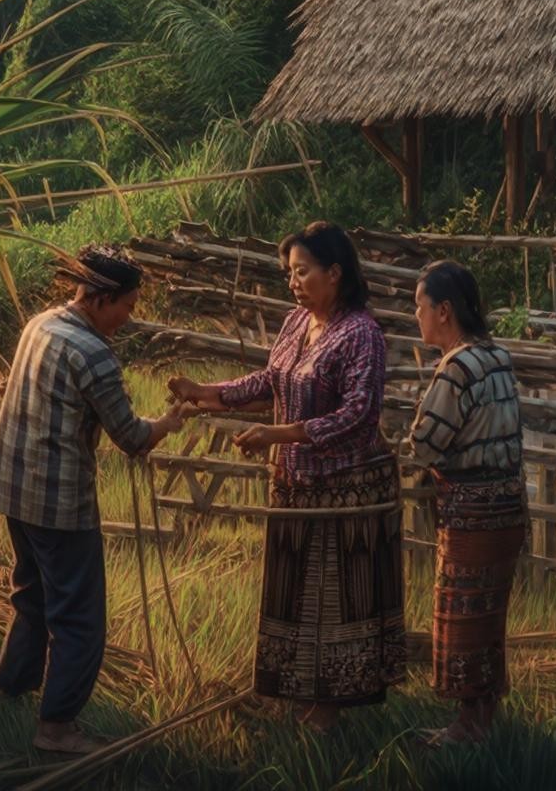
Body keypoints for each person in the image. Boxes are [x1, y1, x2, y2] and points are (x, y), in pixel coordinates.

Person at [169, 221, 405, 731]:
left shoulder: (361, 334)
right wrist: (209, 392)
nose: (292, 282)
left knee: (333, 595)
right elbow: (270, 379)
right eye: (288, 273)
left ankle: (329, 705)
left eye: (301, 272)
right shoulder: (298, 321)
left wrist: (279, 436)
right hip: (295, 483)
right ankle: (295, 691)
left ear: (335, 273)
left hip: (345, 488)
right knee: (292, 590)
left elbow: (358, 414)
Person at [0, 246, 186, 756]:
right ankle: (56, 728)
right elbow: (132, 436)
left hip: (13, 489)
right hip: (58, 503)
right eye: (128, 306)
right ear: (101, 299)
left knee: (32, 594)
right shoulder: (93, 352)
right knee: (79, 617)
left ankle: (12, 684)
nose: (129, 317)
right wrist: (169, 422)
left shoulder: (41, 324)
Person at [407, 260, 526, 746]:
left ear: (445, 310)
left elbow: (424, 443)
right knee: (487, 617)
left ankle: (466, 728)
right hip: (507, 509)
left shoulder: (456, 368)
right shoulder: (497, 356)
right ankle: (481, 722)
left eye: (420, 306)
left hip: (473, 515)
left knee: (461, 619)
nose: (417, 315)